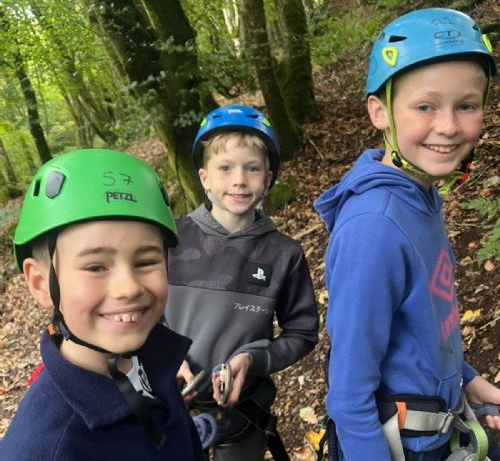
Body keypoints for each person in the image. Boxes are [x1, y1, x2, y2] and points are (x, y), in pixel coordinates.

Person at [314, 8, 500, 460]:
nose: (449, 126)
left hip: (440, 424)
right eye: (425, 107)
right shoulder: (375, 228)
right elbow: (349, 395)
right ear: (380, 111)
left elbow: (424, 323)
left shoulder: (419, 195)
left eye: (467, 105)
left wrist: (469, 379)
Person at [0, 149, 204, 461]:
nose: (129, 288)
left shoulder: (155, 361)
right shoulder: (44, 449)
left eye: (146, 261)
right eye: (95, 267)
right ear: (41, 283)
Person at [164, 105, 319, 460]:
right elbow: (143, 315)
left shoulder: (283, 254)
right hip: (168, 409)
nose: (239, 180)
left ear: (268, 177)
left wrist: (254, 358)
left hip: (243, 416)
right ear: (204, 177)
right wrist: (165, 356)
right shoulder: (171, 242)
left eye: (252, 168)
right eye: (225, 168)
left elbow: (302, 332)